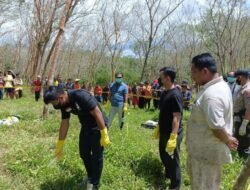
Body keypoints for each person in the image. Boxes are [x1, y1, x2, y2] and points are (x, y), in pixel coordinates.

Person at [186, 53, 238, 190]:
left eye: (194, 71)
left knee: (204, 187)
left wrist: (227, 140)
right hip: (204, 153)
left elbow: (216, 126)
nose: (192, 75)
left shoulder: (212, 95)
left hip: (206, 156)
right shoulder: (218, 87)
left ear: (205, 71)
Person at [44, 87, 111, 190]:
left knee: (96, 156)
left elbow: (97, 112)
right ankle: (90, 176)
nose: (54, 105)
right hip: (86, 127)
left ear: (61, 97)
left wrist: (104, 133)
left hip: (99, 125)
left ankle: (95, 184)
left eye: (54, 102)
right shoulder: (63, 103)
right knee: (84, 153)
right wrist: (60, 144)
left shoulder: (80, 95)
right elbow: (65, 123)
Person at [154, 67, 183, 190]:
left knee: (173, 158)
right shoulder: (165, 92)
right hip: (164, 130)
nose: (159, 79)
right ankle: (169, 173)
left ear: (168, 78)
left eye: (161, 77)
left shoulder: (175, 94)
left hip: (173, 132)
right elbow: (163, 112)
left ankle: (175, 185)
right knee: (163, 153)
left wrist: (173, 136)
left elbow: (176, 117)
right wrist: (159, 127)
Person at [233, 69, 250, 158]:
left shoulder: (247, 89)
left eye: (237, 77)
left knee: (245, 146)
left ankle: (246, 168)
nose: (236, 79)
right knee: (240, 144)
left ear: (241, 77)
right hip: (238, 119)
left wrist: (244, 124)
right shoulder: (242, 88)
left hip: (244, 121)